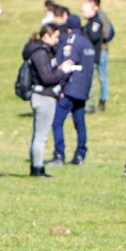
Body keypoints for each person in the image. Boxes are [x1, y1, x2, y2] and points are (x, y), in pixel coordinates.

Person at [24, 23, 76, 177]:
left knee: (39, 134)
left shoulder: (45, 51)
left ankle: (36, 166)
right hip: (43, 97)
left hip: (46, 96)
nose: (57, 40)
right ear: (46, 36)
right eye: (55, 37)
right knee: (41, 135)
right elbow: (47, 77)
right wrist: (62, 71)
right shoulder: (40, 53)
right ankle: (37, 168)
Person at [50, 11, 95, 166]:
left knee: (57, 121)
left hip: (70, 88)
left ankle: (59, 154)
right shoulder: (87, 42)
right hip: (83, 89)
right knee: (79, 123)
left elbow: (65, 64)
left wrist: (61, 86)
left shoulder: (70, 41)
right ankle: (80, 153)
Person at [83, 0, 114, 112]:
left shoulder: (101, 17)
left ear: (95, 5)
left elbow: (106, 33)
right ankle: (91, 103)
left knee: (102, 77)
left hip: (101, 50)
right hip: (96, 49)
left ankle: (102, 101)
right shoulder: (93, 17)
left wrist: (99, 39)